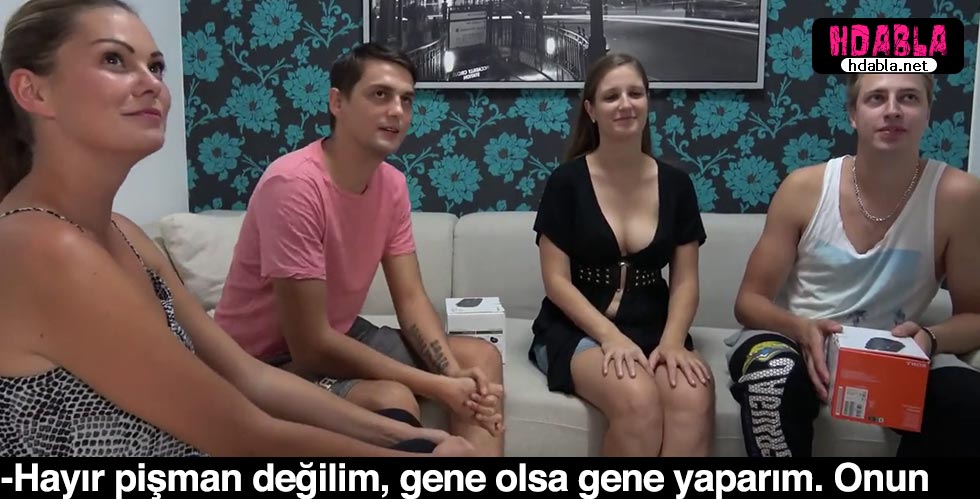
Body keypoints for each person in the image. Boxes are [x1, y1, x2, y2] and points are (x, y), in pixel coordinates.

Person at [0, 0, 476, 457]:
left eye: (156, 67)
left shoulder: (125, 234)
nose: (152, 84)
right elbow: (242, 433)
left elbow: (250, 378)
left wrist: (410, 439)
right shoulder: (42, 247)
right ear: (33, 91)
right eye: (113, 60)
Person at [213, 43, 506, 456]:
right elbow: (311, 344)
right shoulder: (294, 185)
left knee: (480, 358)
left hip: (340, 333)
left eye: (406, 100)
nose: (397, 111)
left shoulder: (392, 185)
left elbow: (410, 298)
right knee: (392, 396)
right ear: (338, 102)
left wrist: (455, 374)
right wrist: (439, 386)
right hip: (263, 361)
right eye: (380, 94)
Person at [728, 73, 980, 457]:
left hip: (893, 355)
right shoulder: (804, 188)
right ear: (853, 114)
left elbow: (974, 316)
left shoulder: (959, 196)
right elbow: (749, 301)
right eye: (876, 98)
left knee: (965, 397)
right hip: (795, 341)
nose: (892, 110)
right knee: (773, 377)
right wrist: (801, 328)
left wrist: (930, 338)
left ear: (928, 112)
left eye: (909, 98)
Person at [527, 53, 714, 457]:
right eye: (611, 96)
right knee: (638, 399)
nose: (626, 104)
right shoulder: (566, 181)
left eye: (635, 93)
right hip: (576, 329)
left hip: (654, 326)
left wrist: (673, 342)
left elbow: (685, 281)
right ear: (591, 110)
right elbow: (556, 281)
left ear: (647, 101)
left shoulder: (677, 185)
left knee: (693, 396)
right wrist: (611, 338)